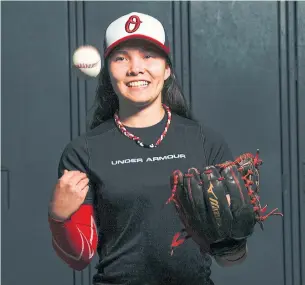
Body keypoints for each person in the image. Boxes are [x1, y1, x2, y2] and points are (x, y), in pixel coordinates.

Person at [48, 12, 248, 285]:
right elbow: (79, 257)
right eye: (121, 58)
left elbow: (229, 261)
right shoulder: (83, 151)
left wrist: (232, 240)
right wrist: (59, 217)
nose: (135, 68)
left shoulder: (205, 142)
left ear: (167, 69)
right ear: (108, 71)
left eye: (149, 56)